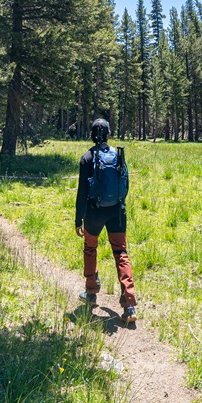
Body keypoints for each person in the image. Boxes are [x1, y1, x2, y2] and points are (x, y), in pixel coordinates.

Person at [75, 118, 137, 324]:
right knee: (121, 253)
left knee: (90, 248)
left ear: (91, 135)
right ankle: (129, 305)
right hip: (117, 212)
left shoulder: (86, 158)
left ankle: (91, 293)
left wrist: (78, 219)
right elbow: (125, 185)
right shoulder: (118, 156)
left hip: (94, 213)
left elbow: (82, 192)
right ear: (109, 134)